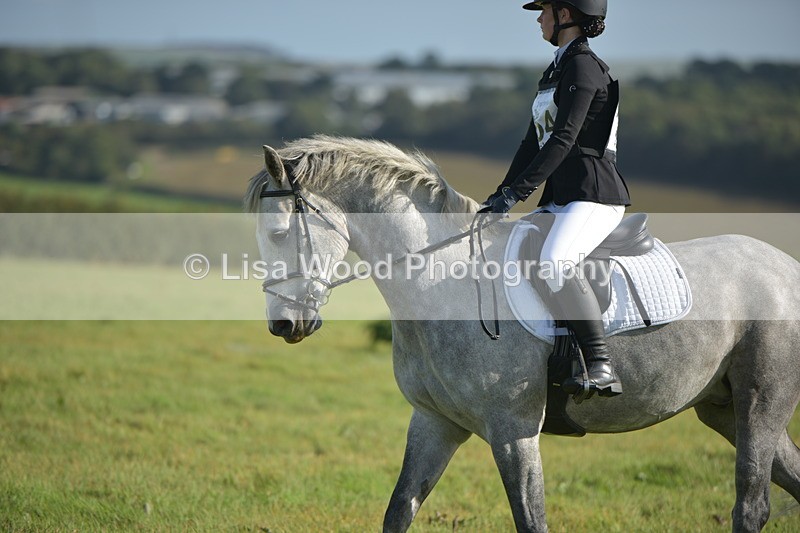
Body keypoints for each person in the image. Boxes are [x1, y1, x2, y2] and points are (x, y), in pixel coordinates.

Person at [480, 0, 630, 397]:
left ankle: (601, 365)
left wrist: (518, 193)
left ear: (565, 15)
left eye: (543, 9)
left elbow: (564, 139)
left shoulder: (584, 67)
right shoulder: (556, 69)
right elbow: (532, 143)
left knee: (555, 261)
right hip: (561, 195)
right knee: (507, 249)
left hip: (593, 194)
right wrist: (499, 195)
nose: (538, 18)